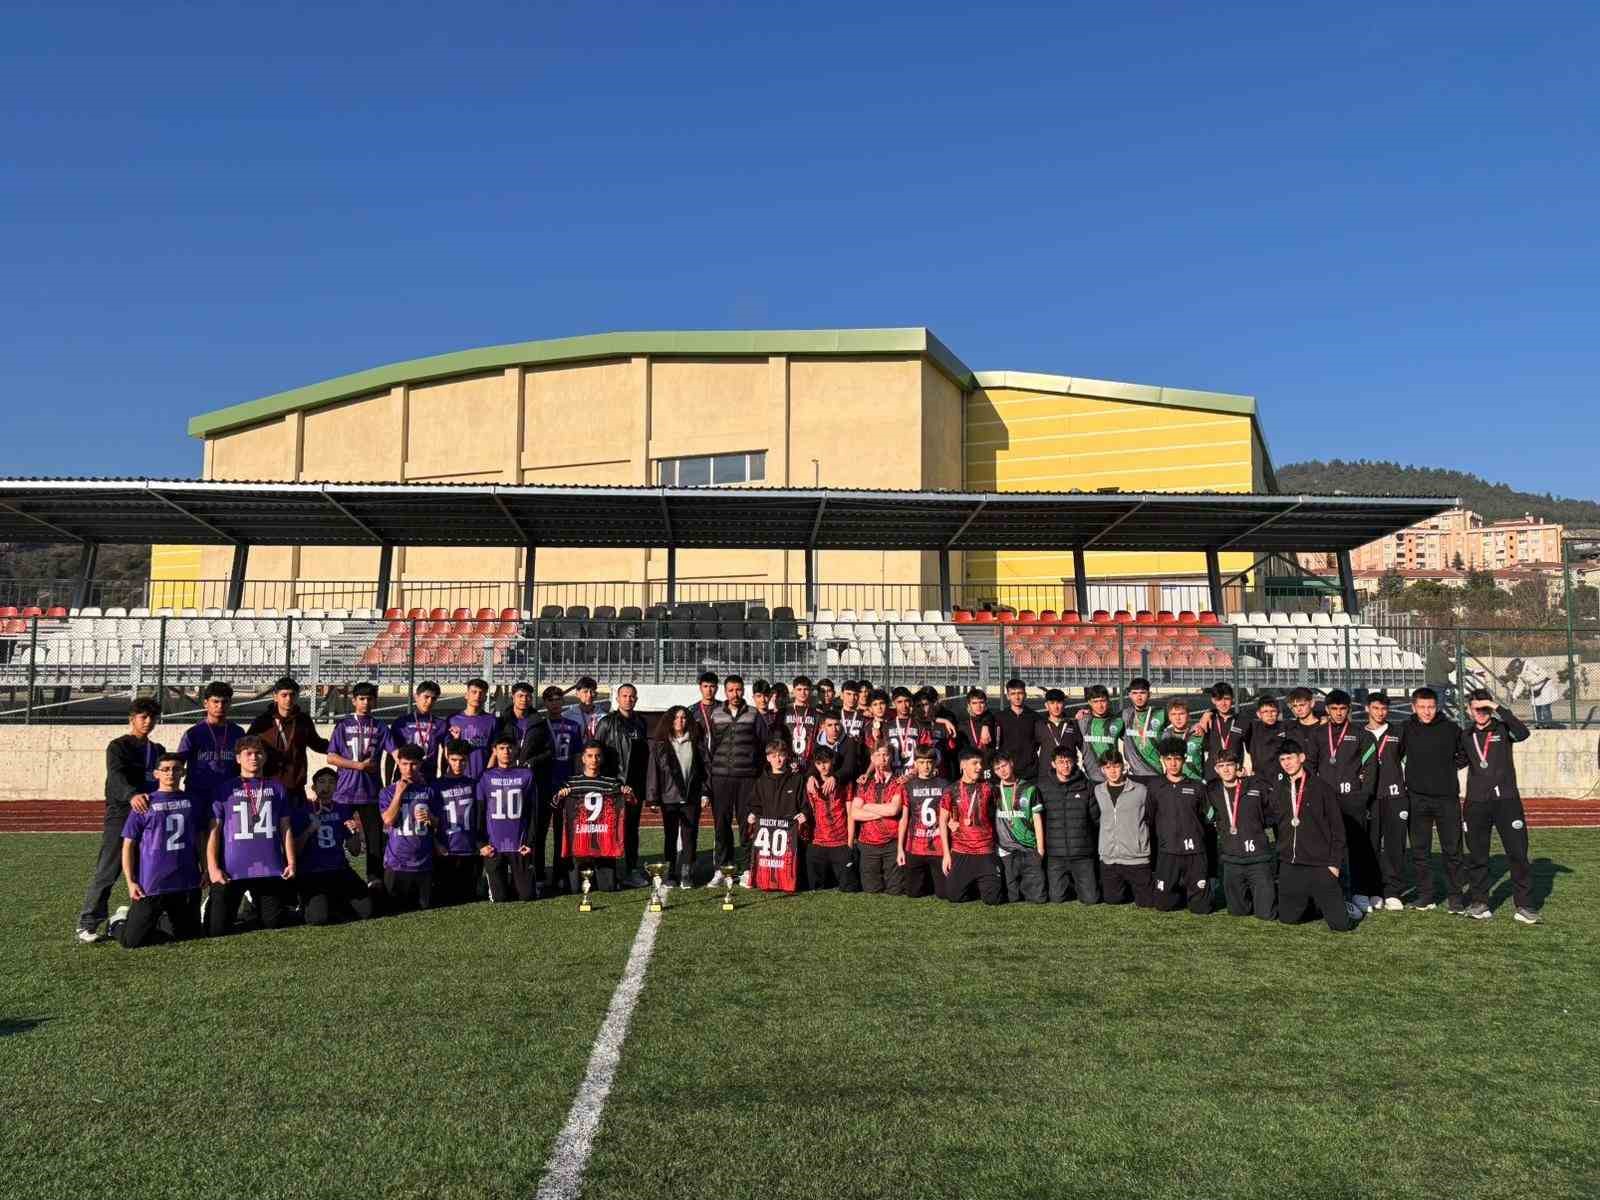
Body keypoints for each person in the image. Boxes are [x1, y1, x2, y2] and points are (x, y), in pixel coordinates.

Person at [77, 697, 166, 943]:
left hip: (150, 815)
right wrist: (131, 795)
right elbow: (115, 777)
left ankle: (145, 916)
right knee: (109, 869)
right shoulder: (118, 746)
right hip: (122, 813)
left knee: (149, 868)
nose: (148, 722)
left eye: (152, 718)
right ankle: (88, 922)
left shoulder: (157, 750)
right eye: (143, 717)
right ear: (132, 719)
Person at [1458, 688, 1539, 923]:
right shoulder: (1465, 735)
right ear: (1469, 710)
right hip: (1476, 803)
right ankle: (1480, 902)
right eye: (1476, 708)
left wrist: (1497, 707)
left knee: (1517, 854)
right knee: (1477, 855)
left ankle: (1524, 905)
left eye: (1485, 708)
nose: (1481, 713)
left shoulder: (1503, 729)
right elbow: (1456, 761)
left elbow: (1523, 733)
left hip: (1507, 801)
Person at [110, 753, 205, 948]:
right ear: (156, 774)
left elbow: (200, 838)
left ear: (183, 772)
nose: (171, 773)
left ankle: (160, 919)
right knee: (132, 942)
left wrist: (205, 868)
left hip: (186, 881)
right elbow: (128, 845)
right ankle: (118, 921)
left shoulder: (194, 801)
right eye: (165, 769)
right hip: (152, 883)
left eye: (176, 769)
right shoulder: (145, 803)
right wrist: (131, 882)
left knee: (189, 936)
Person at [206, 736, 298, 934]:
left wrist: (291, 861)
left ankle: (250, 905)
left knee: (273, 922)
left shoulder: (276, 787)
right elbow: (214, 832)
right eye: (248, 754)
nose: (254, 758)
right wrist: (213, 868)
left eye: (258, 753)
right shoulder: (224, 789)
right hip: (233, 870)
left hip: (268, 869)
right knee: (216, 929)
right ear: (238, 758)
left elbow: (285, 828)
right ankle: (215, 903)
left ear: (265, 757)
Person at [1270, 739, 1353, 931]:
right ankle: (1313, 903)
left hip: (1320, 864)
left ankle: (1334, 903)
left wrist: (1334, 863)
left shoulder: (1322, 788)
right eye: (1282, 759)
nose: (1286, 763)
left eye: (1290, 758)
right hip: (1291, 864)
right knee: (1288, 919)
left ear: (1301, 757)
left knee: (1341, 926)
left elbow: (1338, 830)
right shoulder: (1279, 788)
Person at [1398, 686, 1468, 913]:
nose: (1427, 712)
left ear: (1436, 706)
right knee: (1420, 850)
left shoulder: (1451, 728)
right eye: (1422, 707)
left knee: (1453, 850)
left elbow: (1464, 754)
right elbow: (1394, 754)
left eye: (1430, 707)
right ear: (1413, 707)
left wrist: (1448, 769)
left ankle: (1455, 897)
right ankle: (1426, 895)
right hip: (1417, 798)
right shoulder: (1406, 728)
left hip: (1447, 799)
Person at [324, 681, 393, 891]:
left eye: (370, 699)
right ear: (354, 701)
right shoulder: (343, 725)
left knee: (375, 840)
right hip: (344, 793)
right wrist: (357, 766)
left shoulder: (380, 726)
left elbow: (396, 753)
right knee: (337, 836)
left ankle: (374, 880)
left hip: (371, 793)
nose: (366, 703)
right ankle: (333, 876)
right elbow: (331, 758)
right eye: (361, 699)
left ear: (375, 701)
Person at [1315, 689, 1377, 916]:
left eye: (1343, 709)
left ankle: (1359, 892)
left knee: (1356, 846)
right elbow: (1311, 767)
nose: (1339, 713)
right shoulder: (1318, 734)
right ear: (1327, 710)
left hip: (1353, 800)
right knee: (1328, 848)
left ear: (1349, 710)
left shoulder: (1361, 734)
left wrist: (1364, 795)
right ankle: (1332, 891)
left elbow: (1370, 768)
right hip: (1325, 802)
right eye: (1334, 709)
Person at [292, 767, 374, 926]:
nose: (326, 786)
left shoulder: (342, 809)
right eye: (321, 782)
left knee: (367, 911)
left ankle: (334, 900)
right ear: (314, 787)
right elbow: (295, 850)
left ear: (337, 787)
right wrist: (310, 829)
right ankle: (304, 903)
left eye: (331, 782)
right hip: (313, 872)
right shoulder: (303, 811)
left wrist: (354, 833)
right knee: (318, 919)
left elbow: (355, 851)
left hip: (339, 869)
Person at [519, 685, 581, 891]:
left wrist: (575, 782)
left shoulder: (573, 726)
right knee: (539, 832)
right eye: (550, 700)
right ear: (544, 703)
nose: (554, 704)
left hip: (565, 784)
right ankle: (539, 874)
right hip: (543, 784)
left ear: (563, 702)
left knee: (562, 833)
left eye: (558, 700)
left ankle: (560, 873)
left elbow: (576, 757)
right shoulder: (538, 726)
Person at [557, 741, 636, 895]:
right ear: (583, 759)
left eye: (598, 756)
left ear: (602, 758)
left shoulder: (611, 783)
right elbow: (554, 805)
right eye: (590, 756)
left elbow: (631, 803)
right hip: (580, 842)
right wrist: (560, 796)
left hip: (603, 842)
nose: (594, 760)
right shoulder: (571, 783)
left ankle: (608, 875)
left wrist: (628, 794)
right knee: (576, 889)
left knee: (608, 888)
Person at [708, 675, 765, 884]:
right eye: (731, 690)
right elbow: (710, 749)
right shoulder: (715, 714)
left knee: (747, 825)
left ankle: (748, 869)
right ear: (725, 691)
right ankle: (722, 869)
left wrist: (756, 774)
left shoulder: (753, 714)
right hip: (721, 778)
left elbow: (763, 746)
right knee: (721, 826)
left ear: (743, 691)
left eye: (739, 690)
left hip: (746, 780)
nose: (735, 694)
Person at [647, 706, 710, 887]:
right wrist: (653, 798)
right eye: (676, 718)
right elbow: (654, 772)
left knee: (690, 835)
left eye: (683, 718)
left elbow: (705, 768)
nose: (680, 721)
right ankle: (671, 872)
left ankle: (687, 872)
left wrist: (706, 791)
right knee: (670, 836)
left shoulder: (696, 742)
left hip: (691, 797)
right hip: (669, 797)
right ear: (670, 720)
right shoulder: (660, 743)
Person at [594, 683, 650, 886]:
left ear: (636, 699)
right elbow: (594, 754)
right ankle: (607, 874)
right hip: (612, 787)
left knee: (631, 830)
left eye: (632, 696)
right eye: (624, 695)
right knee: (609, 830)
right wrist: (607, 784)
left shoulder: (641, 723)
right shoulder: (607, 723)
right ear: (617, 699)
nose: (628, 699)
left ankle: (631, 869)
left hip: (635, 787)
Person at [1148, 739, 1213, 915]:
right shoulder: (1155, 786)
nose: (1173, 763)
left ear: (1184, 760)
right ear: (1162, 760)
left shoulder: (1197, 786)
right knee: (1163, 905)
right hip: (1168, 850)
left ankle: (1194, 889)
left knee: (1202, 909)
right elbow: (1150, 819)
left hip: (1194, 851)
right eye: (1169, 759)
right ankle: (1178, 889)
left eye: (1177, 758)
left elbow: (1207, 819)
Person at [1210, 751, 1274, 920]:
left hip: (1258, 859)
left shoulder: (1254, 785)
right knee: (1238, 912)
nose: (1226, 770)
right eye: (1221, 766)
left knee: (1266, 914)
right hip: (1232, 862)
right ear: (1216, 769)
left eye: (1229, 765)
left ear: (1237, 766)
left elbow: (1272, 811)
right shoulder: (1212, 790)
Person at [380, 743, 443, 912]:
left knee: (424, 907)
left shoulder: (429, 791)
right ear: (398, 763)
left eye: (413, 764)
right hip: (397, 861)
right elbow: (388, 820)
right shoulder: (387, 792)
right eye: (405, 764)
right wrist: (399, 793)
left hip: (423, 862)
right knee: (393, 909)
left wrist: (430, 818)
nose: (409, 768)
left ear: (420, 764)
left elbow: (438, 823)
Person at [1362, 692, 1409, 912]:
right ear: (1367, 709)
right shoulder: (1358, 734)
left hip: (1395, 796)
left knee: (1394, 846)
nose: (1380, 713)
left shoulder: (1398, 732)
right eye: (1376, 708)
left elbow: (1407, 761)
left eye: (1384, 709)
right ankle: (1373, 890)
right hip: (1370, 797)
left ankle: (1393, 892)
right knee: (1370, 846)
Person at [478, 733, 537, 902]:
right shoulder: (486, 777)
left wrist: (530, 843)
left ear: (516, 749)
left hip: (519, 845)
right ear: (494, 751)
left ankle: (519, 882)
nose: (506, 752)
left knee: (527, 896)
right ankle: (497, 883)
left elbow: (533, 811)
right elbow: (480, 813)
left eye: (510, 748)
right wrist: (481, 844)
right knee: (500, 898)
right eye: (502, 748)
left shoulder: (526, 775)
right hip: (494, 847)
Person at [939, 748, 1002, 905]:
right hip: (961, 850)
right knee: (954, 896)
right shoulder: (950, 790)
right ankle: (973, 883)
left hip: (985, 849)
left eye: (980, 763)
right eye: (975, 763)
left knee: (993, 899)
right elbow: (942, 820)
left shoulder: (989, 788)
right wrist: (947, 854)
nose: (979, 767)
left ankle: (983, 881)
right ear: (963, 765)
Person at [246, 676, 328, 797]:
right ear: (275, 696)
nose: (288, 699)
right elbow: (246, 748)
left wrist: (341, 747)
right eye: (284, 695)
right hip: (269, 787)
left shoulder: (303, 720)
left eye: (292, 695)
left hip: (296, 786)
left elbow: (317, 744)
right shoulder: (262, 722)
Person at [1036, 745, 1098, 904]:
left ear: (1075, 763)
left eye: (1069, 761)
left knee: (1091, 899)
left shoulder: (1086, 786)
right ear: (1053, 764)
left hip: (1082, 853)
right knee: (1056, 898)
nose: (1065, 765)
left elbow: (1095, 819)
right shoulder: (1042, 787)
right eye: (1061, 762)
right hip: (1056, 855)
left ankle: (1081, 882)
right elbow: (1038, 819)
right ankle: (1070, 883)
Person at [747, 737, 806, 892]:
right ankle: (764, 879)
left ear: (786, 756)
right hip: (768, 835)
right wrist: (753, 815)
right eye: (774, 756)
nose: (778, 759)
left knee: (787, 865)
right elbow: (755, 804)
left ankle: (787, 880)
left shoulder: (797, 779)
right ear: (768, 758)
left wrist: (804, 814)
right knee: (767, 863)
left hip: (789, 835)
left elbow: (805, 804)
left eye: (781, 755)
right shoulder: (761, 781)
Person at [175, 681, 244, 813]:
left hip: (229, 795)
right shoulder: (193, 733)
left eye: (224, 702)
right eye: (215, 701)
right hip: (198, 794)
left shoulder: (237, 732)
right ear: (206, 703)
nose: (220, 706)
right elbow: (178, 763)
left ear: (230, 704)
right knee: (199, 832)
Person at [1096, 753, 1153, 907]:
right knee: (1112, 900)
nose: (1112, 771)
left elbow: (1151, 817)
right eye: (1107, 767)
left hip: (1136, 857)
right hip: (1110, 858)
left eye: (1115, 766)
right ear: (1102, 770)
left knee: (1147, 903)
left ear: (1123, 766)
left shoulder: (1141, 790)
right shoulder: (1098, 791)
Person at [851, 743, 905, 895]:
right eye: (878, 755)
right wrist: (884, 811)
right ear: (872, 759)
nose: (882, 759)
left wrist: (866, 806)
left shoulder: (898, 782)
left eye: (886, 755)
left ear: (891, 757)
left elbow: (894, 809)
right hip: (868, 844)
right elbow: (854, 813)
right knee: (871, 890)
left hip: (891, 844)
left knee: (896, 890)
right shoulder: (864, 783)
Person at [434, 739, 483, 905]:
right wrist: (436, 845)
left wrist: (480, 843)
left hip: (471, 851)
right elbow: (429, 824)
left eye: (462, 760)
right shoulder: (436, 786)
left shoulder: (475, 784)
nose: (458, 764)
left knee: (469, 897)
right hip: (447, 851)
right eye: (454, 760)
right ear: (447, 758)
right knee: (446, 898)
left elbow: (481, 818)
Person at [992, 750, 1046, 903]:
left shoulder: (1030, 788)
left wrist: (1040, 849)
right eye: (997, 768)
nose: (1002, 770)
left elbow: (1037, 819)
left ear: (1012, 764)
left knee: (1038, 898)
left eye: (1004, 765)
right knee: (1012, 897)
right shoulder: (994, 791)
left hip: (1029, 848)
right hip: (1006, 850)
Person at [803, 745, 858, 892]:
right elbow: (807, 811)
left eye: (826, 762)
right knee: (813, 887)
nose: (823, 767)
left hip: (840, 841)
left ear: (832, 761)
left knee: (850, 887)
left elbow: (851, 814)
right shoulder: (810, 785)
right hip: (818, 841)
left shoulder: (845, 783)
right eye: (819, 763)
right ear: (815, 765)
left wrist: (850, 843)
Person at [897, 746, 949, 898]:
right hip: (915, 847)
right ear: (915, 764)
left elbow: (950, 816)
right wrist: (900, 848)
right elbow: (904, 818)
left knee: (944, 894)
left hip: (938, 846)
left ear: (935, 763)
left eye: (929, 762)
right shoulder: (908, 786)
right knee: (913, 893)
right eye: (921, 762)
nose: (926, 766)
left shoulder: (944, 785)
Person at [390, 681, 449, 781]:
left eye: (433, 698)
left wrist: (443, 777)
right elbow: (390, 755)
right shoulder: (401, 723)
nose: (429, 701)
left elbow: (447, 754)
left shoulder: (441, 724)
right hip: (404, 777)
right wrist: (388, 781)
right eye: (426, 697)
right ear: (416, 697)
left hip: (429, 777)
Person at [1198, 682, 1250, 781]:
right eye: (1219, 699)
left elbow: (1251, 752)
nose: (1223, 703)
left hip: (1235, 775)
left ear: (1233, 699)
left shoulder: (1243, 721)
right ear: (1213, 700)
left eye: (1226, 699)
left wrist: (1245, 769)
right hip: (1212, 777)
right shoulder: (1208, 719)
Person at [449, 678, 499, 778]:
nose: (477, 696)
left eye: (481, 693)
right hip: (460, 776)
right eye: (474, 692)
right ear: (466, 695)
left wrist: (488, 773)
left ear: (485, 697)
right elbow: (447, 751)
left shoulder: (491, 720)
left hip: (484, 775)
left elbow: (495, 751)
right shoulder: (453, 720)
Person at [1076, 685, 1125, 786]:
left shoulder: (1118, 721)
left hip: (1112, 777)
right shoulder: (1082, 720)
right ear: (1089, 702)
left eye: (1103, 701)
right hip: (1089, 777)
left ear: (1108, 701)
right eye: (1096, 701)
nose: (1100, 705)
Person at [996, 679, 1042, 782]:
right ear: (1007, 696)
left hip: (1030, 772)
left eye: (1020, 693)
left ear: (1025, 694)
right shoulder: (999, 717)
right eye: (1013, 694)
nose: (1017, 697)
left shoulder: (1035, 717)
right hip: (1008, 771)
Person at [1120, 677, 1166, 778]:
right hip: (1133, 775)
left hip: (1155, 772)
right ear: (1130, 695)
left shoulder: (1161, 714)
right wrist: (1086, 713)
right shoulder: (1124, 715)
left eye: (1142, 693)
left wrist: (1207, 715)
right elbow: (1103, 719)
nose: (1139, 697)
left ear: (1149, 694)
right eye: (1135, 693)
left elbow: (1182, 715)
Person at [1035, 688, 1082, 784]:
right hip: (1046, 776)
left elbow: (1083, 749)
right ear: (1046, 705)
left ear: (1064, 704)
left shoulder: (1073, 724)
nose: (1056, 707)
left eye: (1059, 702)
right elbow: (1032, 750)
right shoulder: (1039, 725)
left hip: (1069, 775)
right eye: (1052, 703)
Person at [952, 687, 998, 780]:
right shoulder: (962, 725)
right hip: (971, 769)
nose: (978, 706)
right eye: (974, 703)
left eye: (981, 702)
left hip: (989, 768)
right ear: (969, 705)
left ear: (986, 704)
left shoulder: (993, 721)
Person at [1244, 695, 1291, 780]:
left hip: (1281, 778)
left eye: (1273, 711)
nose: (1270, 715)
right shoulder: (1251, 728)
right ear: (1258, 714)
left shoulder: (1286, 727)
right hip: (1259, 778)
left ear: (1278, 712)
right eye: (1265, 711)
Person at [782, 675, 822, 769]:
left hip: (809, 764)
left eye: (806, 689)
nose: (802, 693)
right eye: (799, 689)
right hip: (787, 763)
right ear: (794, 691)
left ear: (810, 691)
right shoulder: (784, 712)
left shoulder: (816, 714)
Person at [1161, 700, 1206, 781]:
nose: (1178, 718)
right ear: (1169, 717)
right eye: (1174, 714)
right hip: (1172, 783)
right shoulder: (1165, 736)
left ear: (1188, 716)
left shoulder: (1198, 734)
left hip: (1195, 782)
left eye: (1181, 714)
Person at [496, 681, 540, 747]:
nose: (524, 699)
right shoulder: (502, 722)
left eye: (527, 696)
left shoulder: (538, 722)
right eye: (520, 696)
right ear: (513, 698)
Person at [692, 671, 720, 751]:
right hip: (699, 756)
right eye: (705, 686)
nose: (709, 690)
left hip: (720, 755)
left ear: (717, 688)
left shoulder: (724, 709)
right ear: (700, 688)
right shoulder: (692, 711)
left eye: (712, 686)